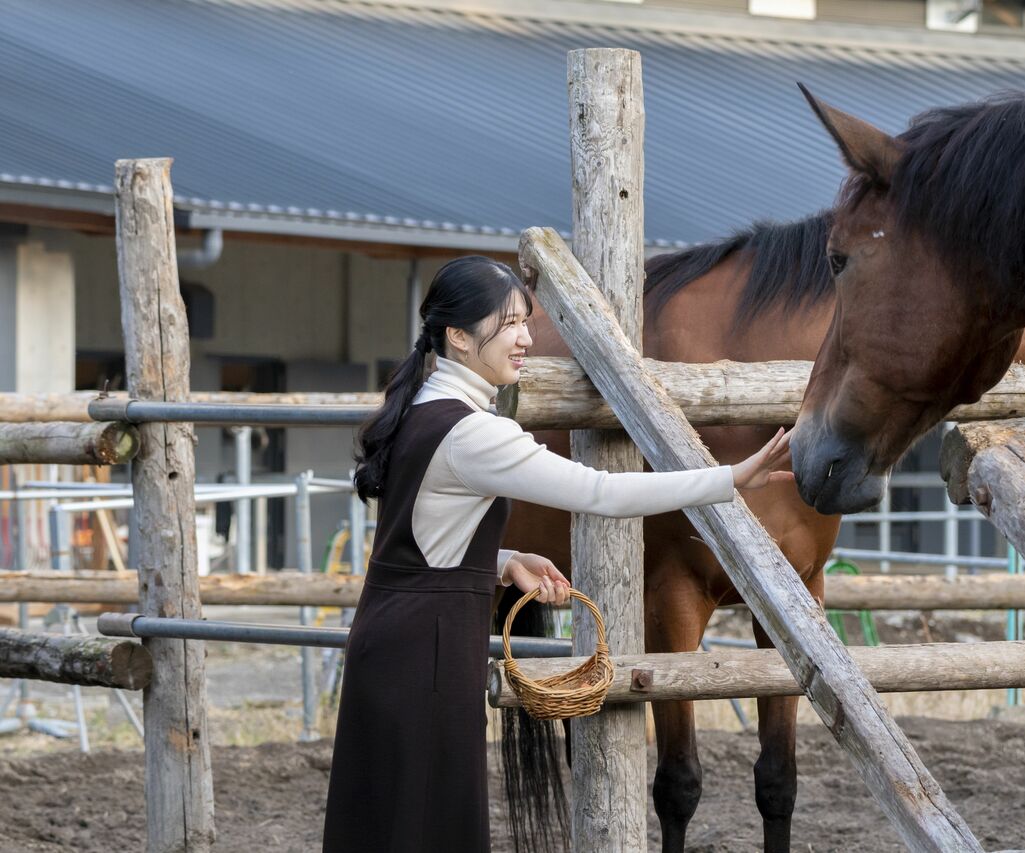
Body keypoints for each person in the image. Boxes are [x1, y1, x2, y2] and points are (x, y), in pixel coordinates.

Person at [321, 255, 794, 852]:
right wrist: (729, 478)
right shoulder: (474, 432)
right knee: (428, 825)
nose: (526, 339)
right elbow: (601, 492)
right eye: (509, 323)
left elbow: (416, 541)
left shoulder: (422, 407)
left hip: (394, 638)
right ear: (459, 337)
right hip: (430, 651)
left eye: (526, 320)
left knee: (387, 825)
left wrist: (501, 561)